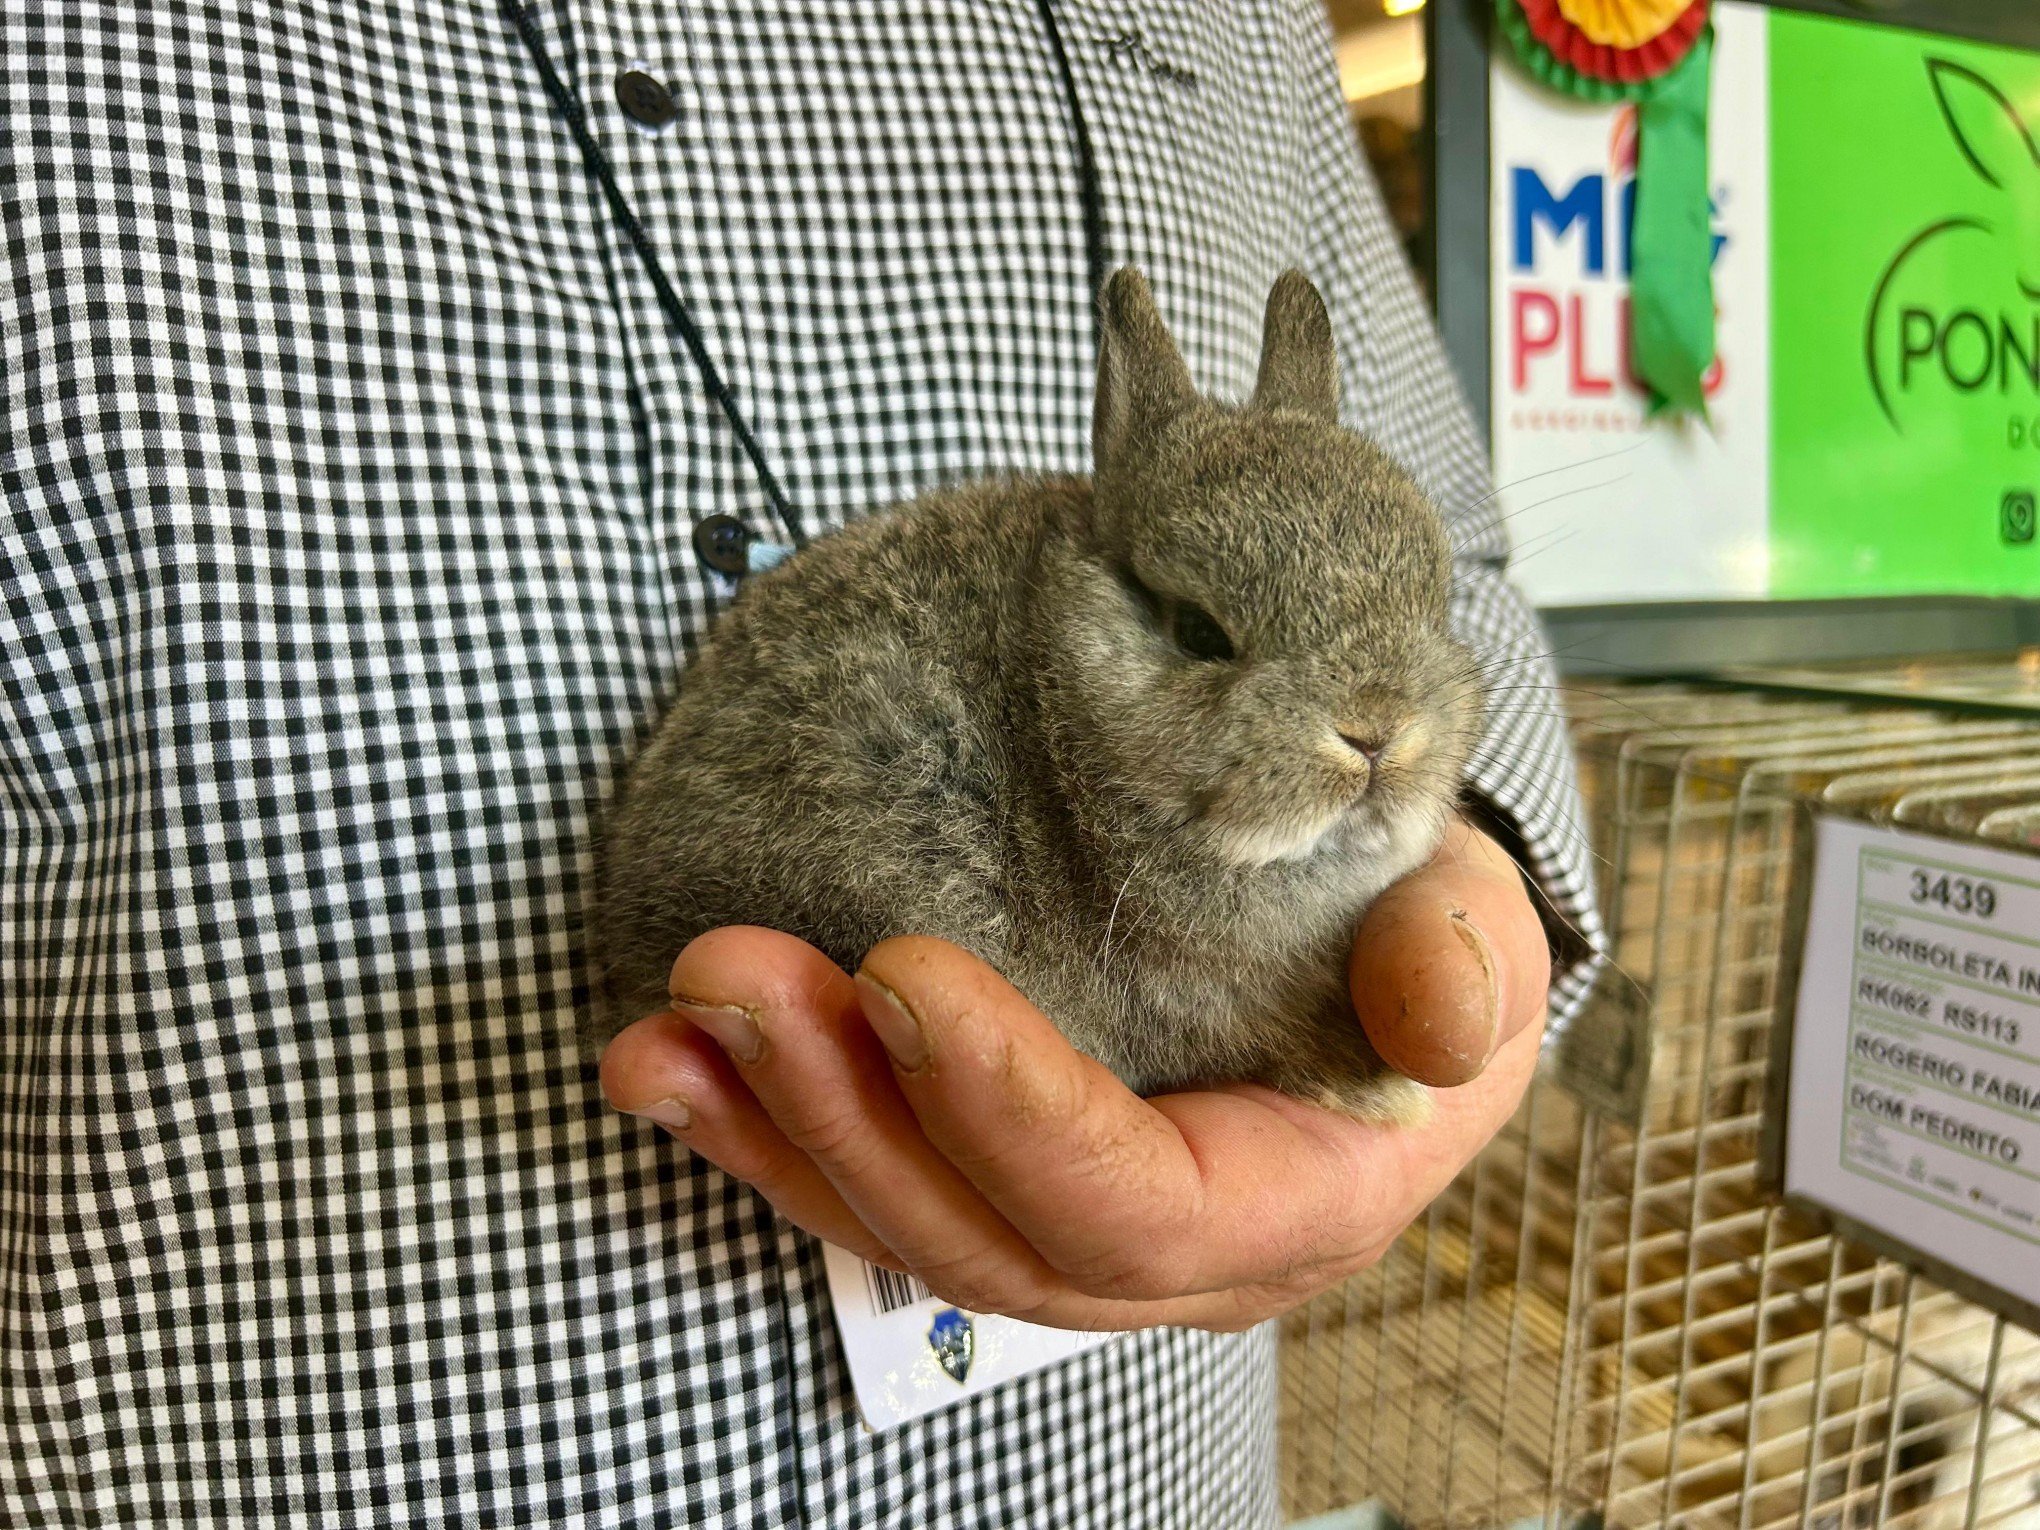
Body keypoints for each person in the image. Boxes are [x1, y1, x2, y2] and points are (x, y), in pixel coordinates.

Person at [2, 2, 1598, 1523]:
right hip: (372, 1412)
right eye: (1196, 631)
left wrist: (1476, 936)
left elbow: (1465, 561)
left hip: (1119, 1464)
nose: (1364, 723)